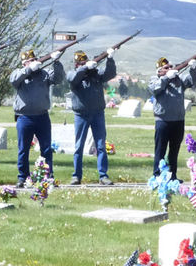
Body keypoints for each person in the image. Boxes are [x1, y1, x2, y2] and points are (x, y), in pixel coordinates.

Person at [10, 49, 65, 187]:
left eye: (35, 60)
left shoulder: (44, 74)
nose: (34, 62)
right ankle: (22, 177)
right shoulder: (19, 73)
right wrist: (28, 69)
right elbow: (14, 81)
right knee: (23, 149)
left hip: (42, 116)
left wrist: (56, 62)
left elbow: (58, 79)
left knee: (46, 149)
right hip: (25, 117)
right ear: (24, 63)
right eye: (30, 61)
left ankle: (47, 175)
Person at [66, 48, 117, 185]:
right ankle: (76, 176)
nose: (84, 64)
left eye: (85, 61)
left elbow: (110, 74)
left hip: (98, 114)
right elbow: (73, 78)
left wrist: (110, 59)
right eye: (81, 62)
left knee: (101, 146)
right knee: (79, 147)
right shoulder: (73, 74)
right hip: (81, 114)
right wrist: (84, 69)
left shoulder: (96, 73)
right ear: (77, 64)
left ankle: (103, 176)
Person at [148, 57, 196, 181]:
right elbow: (155, 89)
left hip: (178, 120)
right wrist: (167, 77)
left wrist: (193, 69)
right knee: (160, 150)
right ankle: (157, 175)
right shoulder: (155, 79)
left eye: (171, 66)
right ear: (159, 70)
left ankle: (172, 176)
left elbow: (192, 81)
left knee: (174, 151)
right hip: (163, 120)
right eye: (166, 68)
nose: (170, 69)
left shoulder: (179, 79)